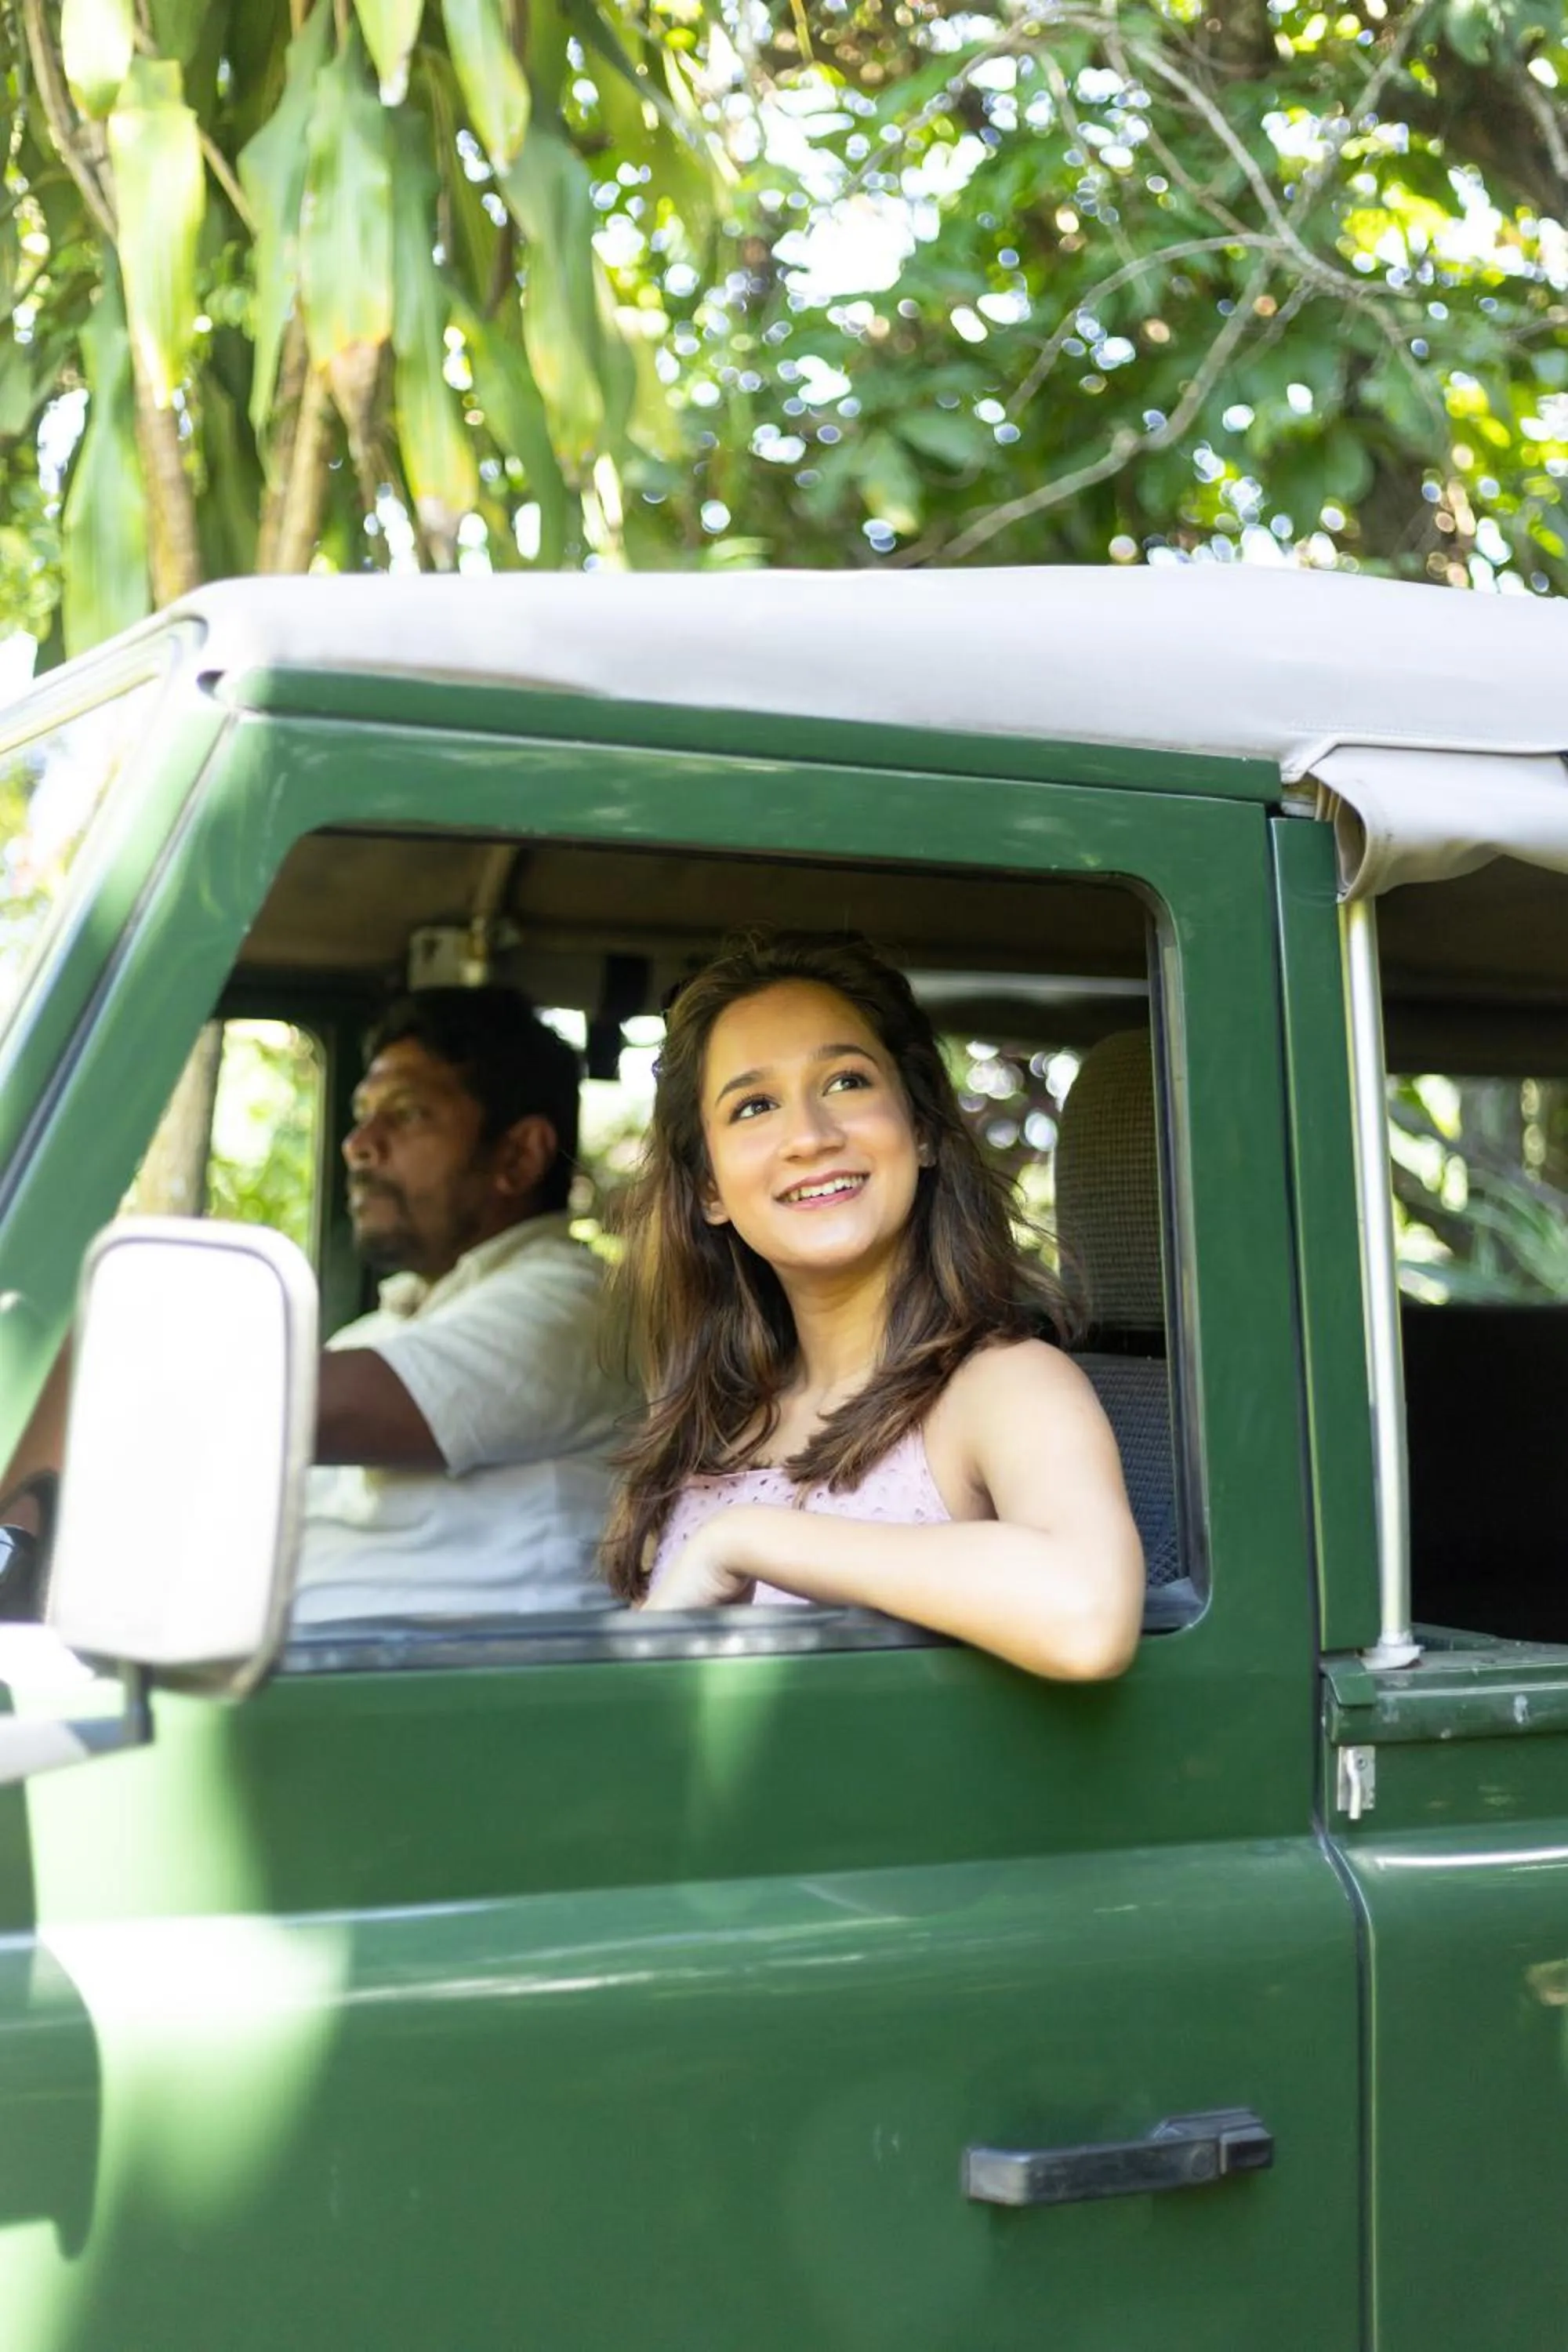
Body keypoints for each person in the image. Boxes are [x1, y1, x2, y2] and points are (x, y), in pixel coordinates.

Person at [602, 935, 1145, 1681]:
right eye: (754, 1106)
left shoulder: (1005, 1385)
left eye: (847, 1083)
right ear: (710, 1190)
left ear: (920, 1130)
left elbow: (1086, 1616)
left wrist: (745, 1541)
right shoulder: (714, 1423)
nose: (809, 1137)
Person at [294, 986, 632, 1624]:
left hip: (468, 1699)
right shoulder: (387, 1324)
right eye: (363, 1113)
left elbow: (292, 1408)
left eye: (409, 1113)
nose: (359, 1143)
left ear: (518, 1155)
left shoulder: (575, 1304)